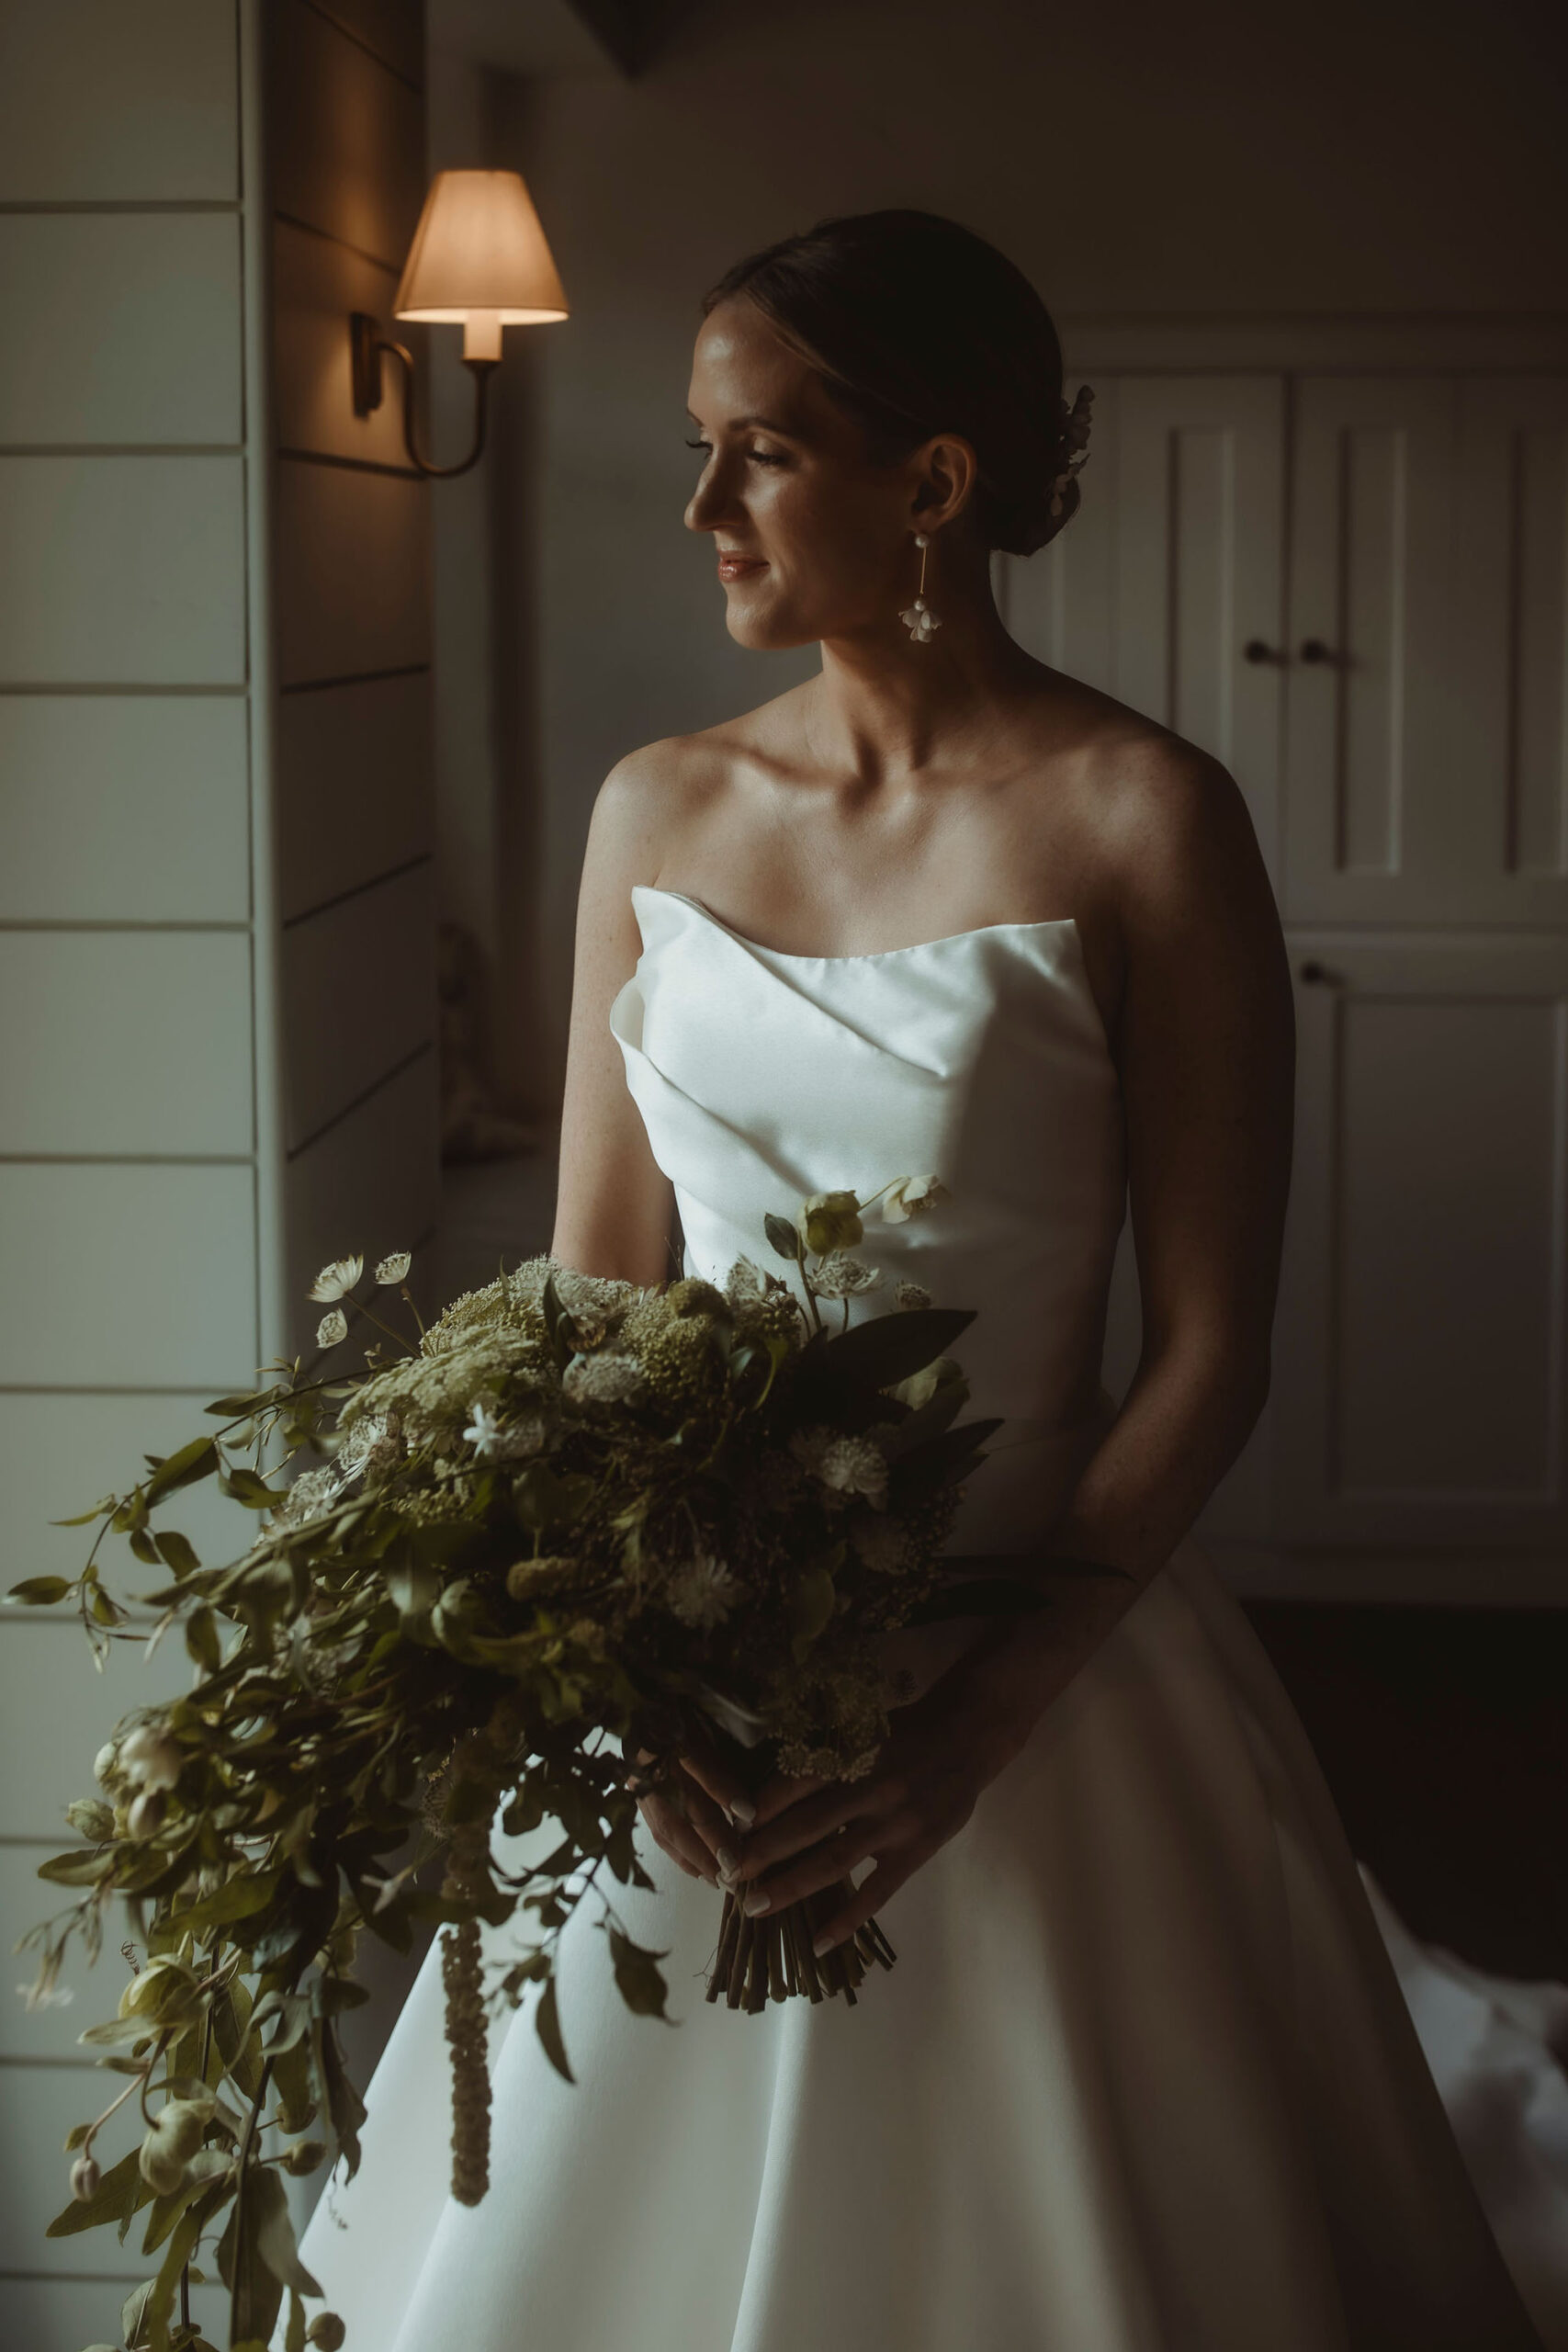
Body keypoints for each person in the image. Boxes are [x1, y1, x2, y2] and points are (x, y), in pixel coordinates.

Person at [292, 209, 1546, 2351]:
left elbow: (1211, 1351)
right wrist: (618, 1669)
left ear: (935, 482)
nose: (698, 508)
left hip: (1027, 1662)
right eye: (701, 451)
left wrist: (967, 1732)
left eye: (756, 453)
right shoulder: (651, 808)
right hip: (680, 1691)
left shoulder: (1148, 817)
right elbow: (596, 1297)